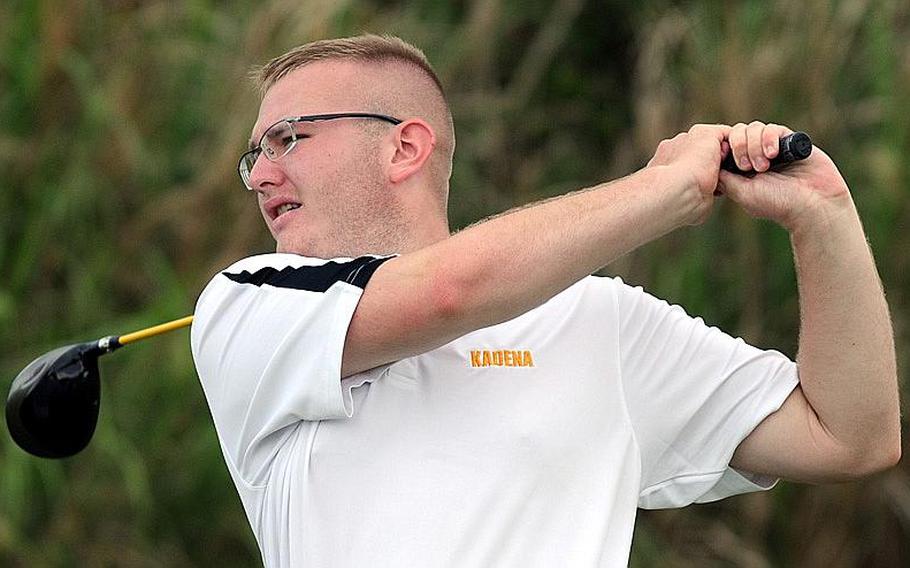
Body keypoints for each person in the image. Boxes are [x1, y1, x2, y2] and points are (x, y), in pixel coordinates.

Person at [190, 34, 900, 567]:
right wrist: (667, 189)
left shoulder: (599, 321)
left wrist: (823, 218)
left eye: (287, 139)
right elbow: (447, 290)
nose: (261, 176)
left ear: (404, 148)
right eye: (255, 155)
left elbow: (850, 436)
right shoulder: (250, 304)